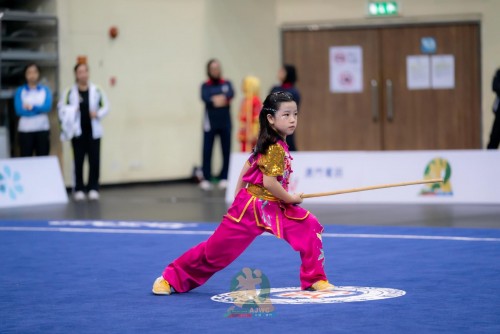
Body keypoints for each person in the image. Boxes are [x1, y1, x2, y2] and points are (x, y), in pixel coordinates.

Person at [152, 91, 334, 296]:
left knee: (308, 226)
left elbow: (249, 165)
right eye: (286, 115)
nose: (292, 120)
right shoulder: (274, 148)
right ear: (271, 119)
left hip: (272, 206)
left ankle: (314, 278)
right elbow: (269, 183)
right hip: (250, 208)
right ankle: (169, 278)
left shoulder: (273, 143)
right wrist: (291, 198)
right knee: (214, 253)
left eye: (295, 114)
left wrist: (239, 193)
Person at [58, 63, 109, 201]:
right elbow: (61, 108)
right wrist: (71, 111)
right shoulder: (69, 91)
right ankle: (79, 188)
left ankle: (93, 187)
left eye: (85, 71)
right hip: (77, 132)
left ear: (88, 73)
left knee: (94, 160)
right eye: (80, 72)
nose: (83, 74)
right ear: (76, 74)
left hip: (93, 132)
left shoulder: (97, 90)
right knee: (78, 161)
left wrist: (97, 114)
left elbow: (106, 106)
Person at [200, 59, 234, 190]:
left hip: (225, 122)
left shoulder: (227, 83)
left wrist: (216, 99)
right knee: (207, 150)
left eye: (217, 68)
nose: (216, 70)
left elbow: (230, 95)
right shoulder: (205, 85)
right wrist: (220, 99)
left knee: (226, 150)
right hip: (210, 123)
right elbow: (206, 98)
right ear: (208, 70)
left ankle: (224, 177)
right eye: (213, 68)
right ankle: (206, 177)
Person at [14, 63, 53, 157]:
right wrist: (39, 109)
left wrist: (32, 107)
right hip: (25, 130)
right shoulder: (20, 91)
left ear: (39, 74)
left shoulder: (45, 90)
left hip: (42, 129)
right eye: (29, 72)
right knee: (26, 158)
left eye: (35, 72)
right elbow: (19, 110)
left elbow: (47, 107)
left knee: (43, 158)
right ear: (25, 75)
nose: (32, 75)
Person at [270, 64, 301, 151]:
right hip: (274, 123)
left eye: (282, 71)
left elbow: (294, 109)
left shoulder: (294, 92)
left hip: (287, 123)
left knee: (288, 143)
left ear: (288, 73)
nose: (279, 73)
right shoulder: (275, 89)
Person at [238, 76, 261, 152]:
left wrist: (254, 133)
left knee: (251, 154)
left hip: (251, 134)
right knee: (243, 153)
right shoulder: (245, 100)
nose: (242, 86)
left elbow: (257, 119)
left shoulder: (255, 100)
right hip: (245, 132)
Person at [487, 69, 500, 149]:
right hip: (499, 113)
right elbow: (495, 86)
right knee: (494, 137)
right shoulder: (499, 73)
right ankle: (488, 159)